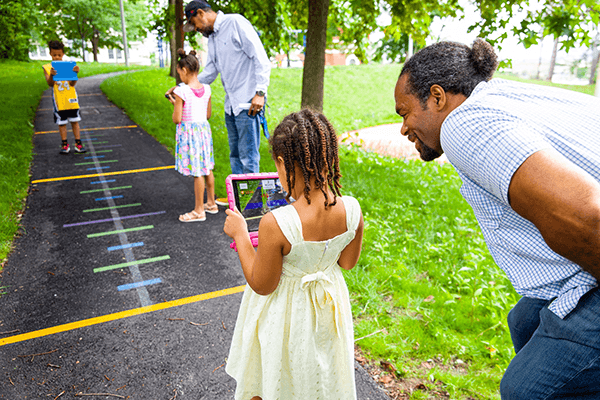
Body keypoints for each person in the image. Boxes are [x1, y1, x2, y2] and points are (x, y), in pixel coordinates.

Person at [394, 38, 600, 399]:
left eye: (405, 112)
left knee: (526, 390)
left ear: (438, 98)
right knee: (525, 320)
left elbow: (586, 216)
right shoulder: (503, 97)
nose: (403, 127)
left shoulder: (463, 126)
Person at [222, 109, 365, 400]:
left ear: (282, 162)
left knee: (277, 376)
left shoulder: (276, 223)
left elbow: (263, 284)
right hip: (329, 307)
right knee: (320, 377)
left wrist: (240, 234)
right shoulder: (352, 209)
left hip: (286, 314)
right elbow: (348, 263)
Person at [176, 0, 271, 206]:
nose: (197, 30)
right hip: (231, 104)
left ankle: (253, 204)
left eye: (196, 24)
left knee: (248, 157)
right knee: (235, 155)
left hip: (248, 103)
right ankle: (238, 199)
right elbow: (210, 71)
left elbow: (261, 58)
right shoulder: (213, 38)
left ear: (201, 13)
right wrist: (183, 89)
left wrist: (260, 93)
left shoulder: (235, 23)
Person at [167, 48, 218, 222]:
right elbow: (207, 114)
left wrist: (174, 103)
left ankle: (198, 211)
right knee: (207, 168)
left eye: (179, 72)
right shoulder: (208, 89)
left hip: (190, 135)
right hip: (203, 133)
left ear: (185, 70)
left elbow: (177, 118)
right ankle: (211, 203)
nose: (179, 76)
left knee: (197, 172)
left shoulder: (181, 91)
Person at [42, 40, 86, 154]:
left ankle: (78, 143)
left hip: (71, 98)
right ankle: (65, 144)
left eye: (59, 55)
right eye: (54, 55)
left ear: (63, 54)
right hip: (59, 100)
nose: (57, 57)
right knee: (62, 123)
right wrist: (52, 75)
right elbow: (50, 84)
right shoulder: (47, 67)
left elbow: (72, 83)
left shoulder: (68, 66)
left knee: (75, 121)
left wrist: (75, 74)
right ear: (50, 54)